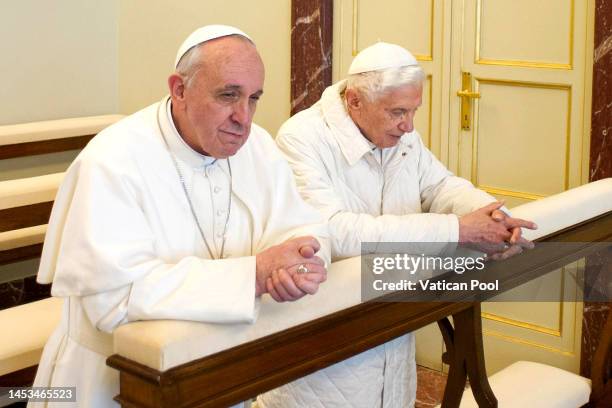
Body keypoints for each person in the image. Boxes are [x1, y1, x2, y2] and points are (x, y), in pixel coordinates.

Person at [30, 25, 329, 408]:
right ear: (180, 89)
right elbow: (114, 300)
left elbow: (299, 224)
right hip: (111, 382)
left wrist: (297, 260)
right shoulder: (112, 161)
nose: (244, 118)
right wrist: (254, 274)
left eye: (253, 98)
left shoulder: (259, 147)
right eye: (228, 95)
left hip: (214, 370)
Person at [257, 42, 537, 407]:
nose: (408, 125)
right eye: (398, 113)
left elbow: (439, 185)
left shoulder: (399, 133)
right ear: (355, 101)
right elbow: (335, 231)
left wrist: (490, 213)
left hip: (392, 320)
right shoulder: (301, 138)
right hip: (328, 336)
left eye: (413, 111)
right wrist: (458, 230)